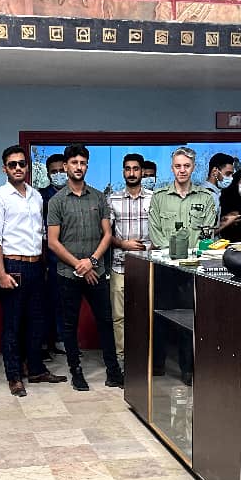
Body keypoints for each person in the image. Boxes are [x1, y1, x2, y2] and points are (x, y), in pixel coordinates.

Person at [0, 145, 67, 396]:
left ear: (28, 166)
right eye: (13, 164)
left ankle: (36, 369)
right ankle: (14, 376)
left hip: (36, 265)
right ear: (4, 169)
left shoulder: (36, 196)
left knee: (37, 322)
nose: (18, 168)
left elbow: (41, 234)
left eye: (22, 163)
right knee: (13, 324)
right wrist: (1, 273)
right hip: (13, 266)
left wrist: (43, 265)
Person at [47, 144, 123, 391]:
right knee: (70, 325)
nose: (78, 167)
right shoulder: (56, 201)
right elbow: (53, 242)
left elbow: (107, 234)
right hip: (68, 275)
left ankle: (113, 372)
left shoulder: (98, 197)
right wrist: (80, 265)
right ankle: (76, 372)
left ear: (87, 166)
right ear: (66, 166)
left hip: (96, 272)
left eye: (82, 163)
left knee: (106, 321)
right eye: (74, 163)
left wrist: (91, 262)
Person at [108, 153, 152, 362]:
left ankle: (143, 359)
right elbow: (105, 234)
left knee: (145, 314)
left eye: (135, 169)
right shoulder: (112, 199)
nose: (132, 173)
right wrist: (123, 244)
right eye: (128, 169)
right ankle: (122, 358)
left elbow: (161, 233)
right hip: (120, 266)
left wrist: (146, 247)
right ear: (123, 172)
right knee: (119, 316)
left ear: (142, 172)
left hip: (147, 266)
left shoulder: (154, 199)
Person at [148, 147, 217, 250]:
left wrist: (192, 254)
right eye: (178, 166)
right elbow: (155, 232)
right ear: (172, 168)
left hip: (196, 258)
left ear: (193, 167)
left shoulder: (206, 197)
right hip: (166, 257)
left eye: (187, 166)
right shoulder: (158, 197)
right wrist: (174, 252)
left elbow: (207, 233)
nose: (182, 170)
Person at [38, 153, 67, 359]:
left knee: (65, 303)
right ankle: (44, 344)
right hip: (48, 259)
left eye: (61, 171)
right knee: (45, 303)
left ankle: (61, 340)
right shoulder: (41, 197)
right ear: (48, 174)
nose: (58, 175)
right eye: (54, 172)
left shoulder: (74, 193)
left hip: (72, 258)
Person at [203, 152, 235, 216]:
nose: (231, 178)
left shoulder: (218, 194)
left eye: (232, 175)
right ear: (215, 171)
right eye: (228, 174)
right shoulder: (205, 195)